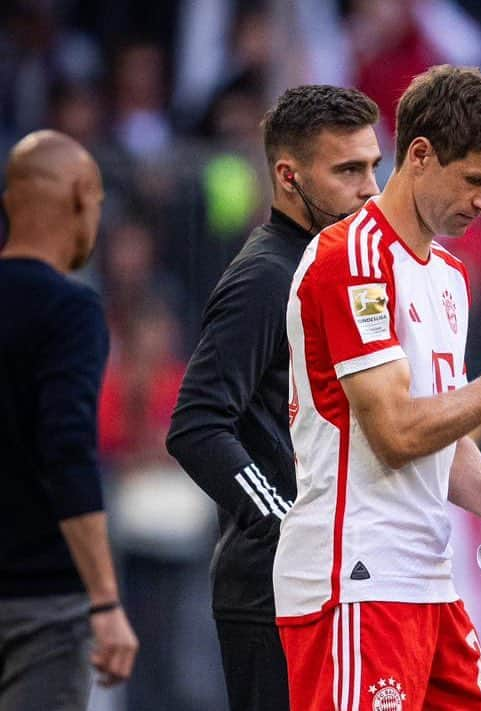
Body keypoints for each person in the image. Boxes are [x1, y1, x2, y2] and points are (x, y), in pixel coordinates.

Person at [273, 65, 481, 711]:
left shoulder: (446, 273)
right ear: (419, 154)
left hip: (425, 578)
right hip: (356, 577)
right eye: (476, 179)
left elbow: (442, 427)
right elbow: (396, 433)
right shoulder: (352, 260)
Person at [166, 85, 382, 711]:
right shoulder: (267, 276)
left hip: (325, 579)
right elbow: (197, 424)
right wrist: (289, 522)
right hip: (270, 590)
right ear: (289, 177)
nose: (370, 188)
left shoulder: (326, 267)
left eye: (373, 166)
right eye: (347, 170)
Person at [0, 130, 138, 710]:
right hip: (41, 605)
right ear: (82, 195)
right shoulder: (71, 308)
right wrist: (105, 600)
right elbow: (67, 449)